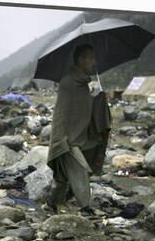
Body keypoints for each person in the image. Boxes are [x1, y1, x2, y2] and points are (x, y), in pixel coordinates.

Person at [45, 44, 111, 216]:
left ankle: (52, 203)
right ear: (81, 59)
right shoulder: (68, 83)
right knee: (79, 169)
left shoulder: (85, 83)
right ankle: (85, 207)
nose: (94, 61)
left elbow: (85, 109)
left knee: (63, 177)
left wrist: (98, 97)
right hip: (67, 137)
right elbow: (62, 113)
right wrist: (60, 140)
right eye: (91, 57)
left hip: (82, 134)